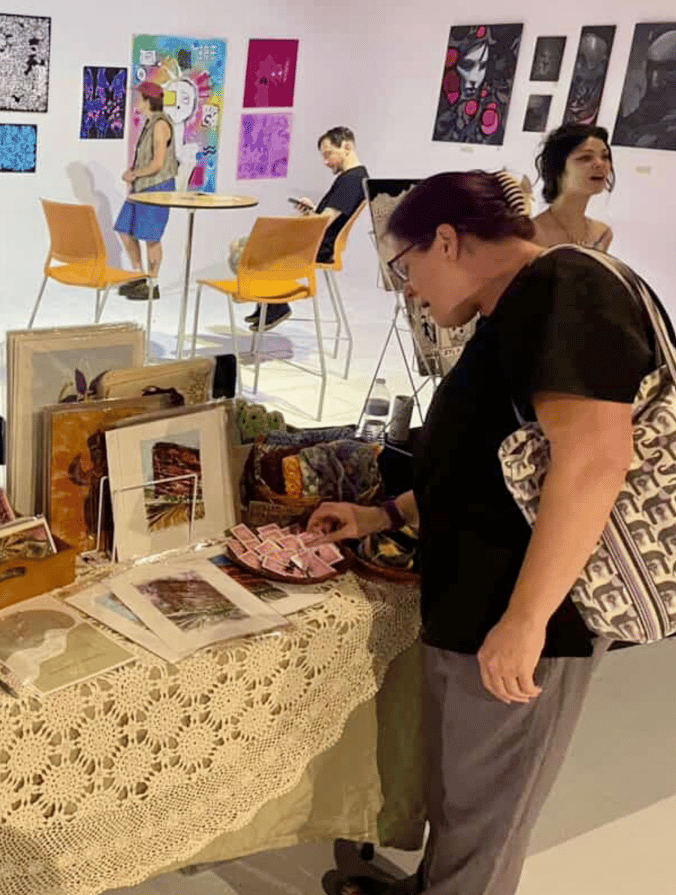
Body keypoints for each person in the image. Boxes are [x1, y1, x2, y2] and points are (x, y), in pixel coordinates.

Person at [310, 171, 653, 895]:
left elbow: (595, 459)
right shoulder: (516, 305)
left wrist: (525, 621)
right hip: (478, 604)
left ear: (446, 240)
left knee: (485, 823)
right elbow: (496, 463)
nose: (408, 290)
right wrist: (386, 514)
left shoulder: (565, 289)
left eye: (405, 268)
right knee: (461, 801)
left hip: (526, 614)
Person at [245, 126, 368, 329]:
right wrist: (312, 210)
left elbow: (323, 223)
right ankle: (268, 303)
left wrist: (305, 221)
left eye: (328, 154)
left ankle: (275, 304)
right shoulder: (354, 178)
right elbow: (327, 218)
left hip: (318, 246)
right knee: (253, 245)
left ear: (347, 147)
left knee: (250, 246)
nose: (325, 161)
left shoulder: (352, 180)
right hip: (318, 242)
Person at [114, 80, 178, 301]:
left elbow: (158, 164)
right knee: (124, 228)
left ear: (148, 100)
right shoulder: (150, 123)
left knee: (151, 237)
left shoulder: (160, 125)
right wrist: (135, 176)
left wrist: (134, 174)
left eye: (139, 98)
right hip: (142, 188)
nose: (136, 102)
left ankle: (152, 283)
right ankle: (139, 275)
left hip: (157, 188)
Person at [531, 123, 614, 251]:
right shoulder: (529, 234)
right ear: (558, 168)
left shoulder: (602, 234)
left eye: (605, 156)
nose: (600, 164)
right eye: (585, 157)